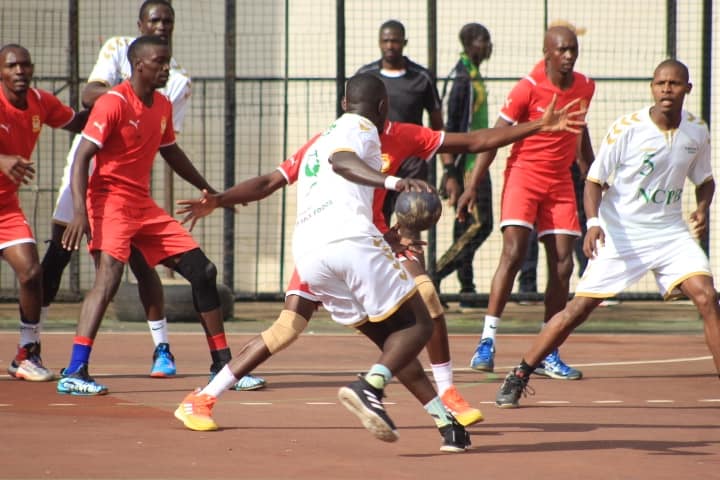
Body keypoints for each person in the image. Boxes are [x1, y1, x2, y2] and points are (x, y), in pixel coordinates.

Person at [171, 81, 585, 440]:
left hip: (356, 241)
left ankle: (446, 406)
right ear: (379, 106)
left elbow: (474, 141)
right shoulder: (342, 138)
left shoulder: (397, 134)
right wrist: (221, 198)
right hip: (349, 243)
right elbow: (277, 179)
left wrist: (535, 126)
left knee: (413, 313)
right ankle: (207, 397)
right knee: (300, 328)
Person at [173, 72, 472, 451]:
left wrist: (220, 198)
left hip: (313, 254)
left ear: (344, 102)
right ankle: (370, 387)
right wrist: (394, 183)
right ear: (382, 108)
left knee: (393, 343)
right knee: (420, 324)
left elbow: (270, 182)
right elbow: (343, 162)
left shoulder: (318, 140)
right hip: (350, 244)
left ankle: (447, 424)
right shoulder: (362, 130)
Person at [40, 0, 265, 390]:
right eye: (160, 63)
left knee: (204, 271)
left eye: (168, 62)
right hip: (108, 201)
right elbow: (81, 159)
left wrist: (208, 189)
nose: (166, 69)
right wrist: (80, 212)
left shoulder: (161, 104)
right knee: (108, 279)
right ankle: (75, 371)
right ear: (139, 65)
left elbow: (171, 150)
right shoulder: (112, 103)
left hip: (142, 205)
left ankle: (223, 368)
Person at [496, 59, 720, 408]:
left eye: (674, 84)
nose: (666, 90)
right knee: (578, 310)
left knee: (707, 298)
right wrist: (594, 223)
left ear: (687, 89)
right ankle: (520, 373)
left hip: (670, 233)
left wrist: (703, 207)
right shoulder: (628, 129)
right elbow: (594, 181)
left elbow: (705, 181)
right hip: (622, 233)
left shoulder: (696, 131)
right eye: (660, 83)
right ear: (652, 86)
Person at [457, 25, 595, 380]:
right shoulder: (527, 88)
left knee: (564, 265)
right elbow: (493, 139)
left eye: (573, 49)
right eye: (562, 49)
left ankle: (548, 351)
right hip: (524, 176)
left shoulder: (585, 86)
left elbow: (581, 131)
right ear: (547, 52)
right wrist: (471, 186)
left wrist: (592, 172)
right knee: (514, 252)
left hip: (561, 181)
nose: (568, 55)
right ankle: (486, 341)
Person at [0, 44, 88, 382]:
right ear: (2, 72)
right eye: (12, 66)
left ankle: (27, 352)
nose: (20, 71)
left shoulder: (40, 102)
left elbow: (76, 122)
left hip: (6, 207)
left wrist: (106, 109)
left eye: (25, 65)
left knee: (32, 272)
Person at [356, 19, 443, 232]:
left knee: (413, 217)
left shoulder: (422, 77)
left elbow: (438, 123)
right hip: (379, 160)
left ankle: (410, 262)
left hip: (412, 162)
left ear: (404, 42)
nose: (389, 46)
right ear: (379, 42)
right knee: (377, 219)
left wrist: (448, 169)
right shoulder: (366, 76)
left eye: (394, 41)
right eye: (385, 41)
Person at [435, 23, 494, 305]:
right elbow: (449, 126)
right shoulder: (461, 77)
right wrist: (451, 171)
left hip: (479, 156)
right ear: (470, 43)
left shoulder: (473, 73)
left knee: (464, 225)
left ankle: (467, 288)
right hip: (469, 162)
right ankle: (433, 275)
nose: (488, 46)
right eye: (484, 41)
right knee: (481, 225)